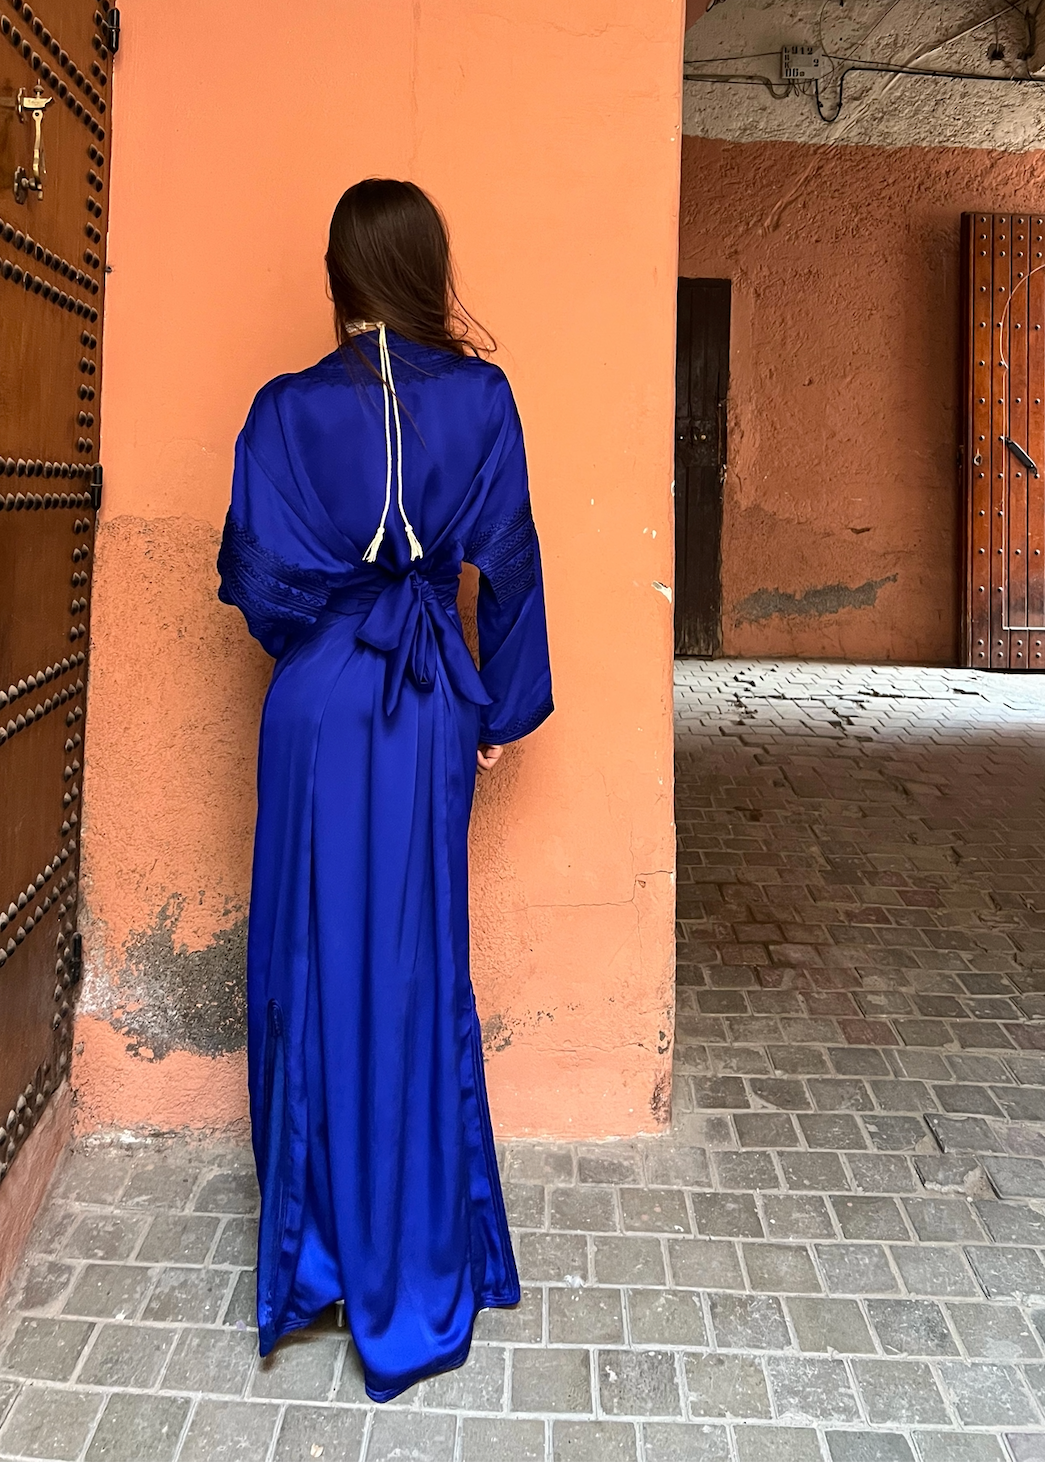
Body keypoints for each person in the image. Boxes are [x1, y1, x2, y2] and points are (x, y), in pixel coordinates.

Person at [215, 178, 553, 1402]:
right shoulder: (483, 399)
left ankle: (315, 1255)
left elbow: (258, 585)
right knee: (412, 964)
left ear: (337, 276)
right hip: (422, 710)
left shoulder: (284, 410)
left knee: (309, 956)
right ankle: (416, 1245)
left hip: (316, 708)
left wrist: (328, 638)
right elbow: (508, 561)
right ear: (425, 266)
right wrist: (499, 708)